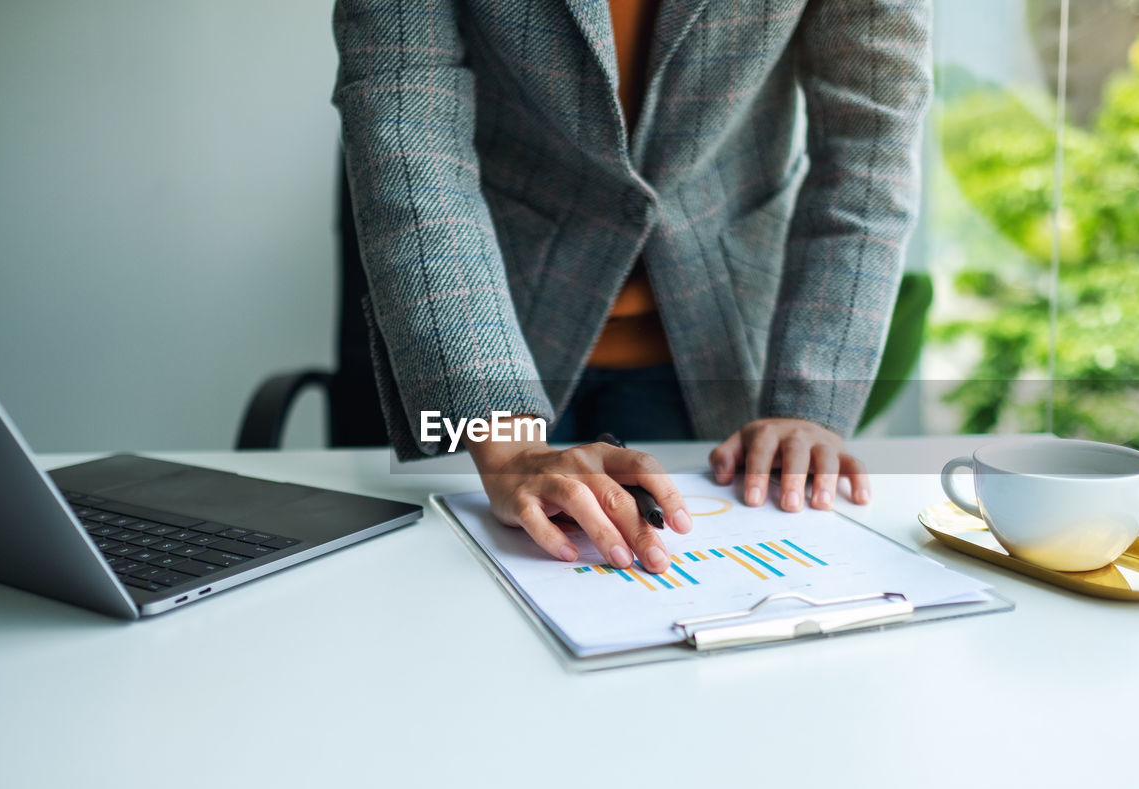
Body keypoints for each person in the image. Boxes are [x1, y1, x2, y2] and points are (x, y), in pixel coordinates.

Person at [333, 0, 932, 573]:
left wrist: (810, 405)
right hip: (486, 315)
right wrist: (502, 434)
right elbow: (405, 116)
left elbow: (869, 145)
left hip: (715, 325)